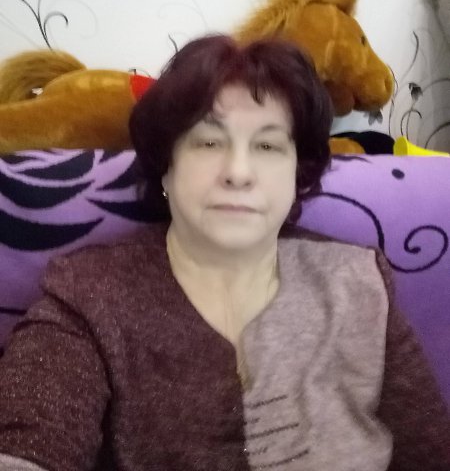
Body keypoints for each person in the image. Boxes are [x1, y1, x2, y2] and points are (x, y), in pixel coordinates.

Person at [0, 35, 448, 471]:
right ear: (166, 167)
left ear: (298, 172)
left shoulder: (361, 283)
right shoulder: (87, 295)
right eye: (208, 142)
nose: (237, 172)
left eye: (268, 146)